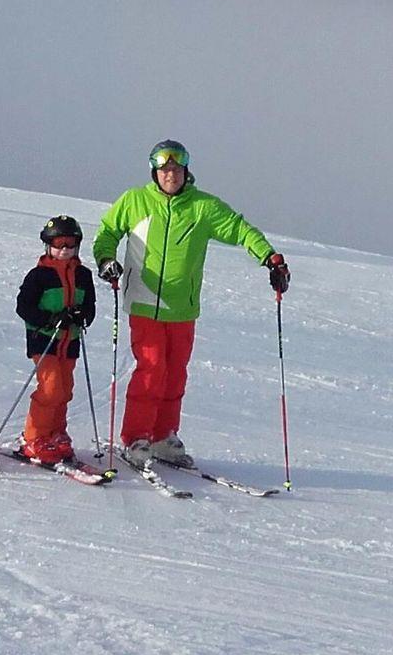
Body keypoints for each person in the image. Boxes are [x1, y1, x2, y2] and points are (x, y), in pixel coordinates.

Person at [93, 140, 290, 468]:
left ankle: (162, 436)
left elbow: (240, 230)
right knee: (151, 369)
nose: (171, 175)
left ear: (186, 171)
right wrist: (105, 260)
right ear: (154, 173)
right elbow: (107, 233)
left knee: (175, 373)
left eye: (176, 169)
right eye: (164, 170)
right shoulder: (134, 201)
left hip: (183, 307)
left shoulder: (202, 207)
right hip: (145, 302)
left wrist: (270, 258)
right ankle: (137, 437)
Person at [12, 216, 97, 465]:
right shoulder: (39, 275)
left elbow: (89, 305)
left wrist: (82, 316)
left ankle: (56, 433)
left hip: (69, 342)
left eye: (70, 244)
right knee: (50, 389)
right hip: (44, 340)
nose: (65, 249)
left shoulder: (83, 274)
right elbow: (23, 307)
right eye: (59, 244)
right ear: (48, 245)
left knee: (65, 390)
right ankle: (34, 438)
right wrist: (49, 319)